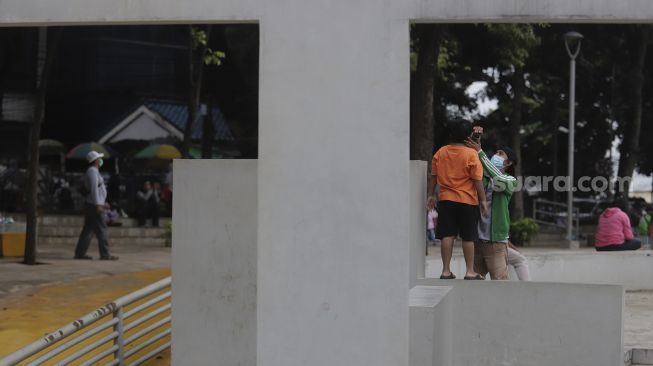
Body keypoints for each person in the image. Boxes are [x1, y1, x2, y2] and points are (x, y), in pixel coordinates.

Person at [428, 119, 489, 280]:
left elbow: (433, 177)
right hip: (468, 201)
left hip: (446, 200)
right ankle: (470, 271)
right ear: (468, 135)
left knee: (447, 235)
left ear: (450, 133)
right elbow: (477, 180)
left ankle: (445, 271)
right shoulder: (471, 154)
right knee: (469, 236)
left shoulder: (441, 152)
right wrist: (483, 200)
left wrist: (431, 195)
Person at [465, 131, 518, 280]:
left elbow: (498, 177)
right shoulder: (483, 176)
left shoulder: (510, 180)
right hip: (477, 241)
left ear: (509, 163)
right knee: (473, 284)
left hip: (496, 243)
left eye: (501, 154)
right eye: (496, 152)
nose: (496, 155)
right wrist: (475, 140)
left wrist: (480, 152)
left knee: (499, 284)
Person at [74, 151, 118, 260]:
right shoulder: (92, 171)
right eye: (99, 158)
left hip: (93, 204)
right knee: (102, 229)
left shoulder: (94, 171)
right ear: (96, 160)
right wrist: (99, 204)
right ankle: (105, 254)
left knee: (88, 229)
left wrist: (103, 202)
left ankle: (80, 253)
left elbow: (98, 190)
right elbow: (94, 189)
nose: (101, 160)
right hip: (94, 205)